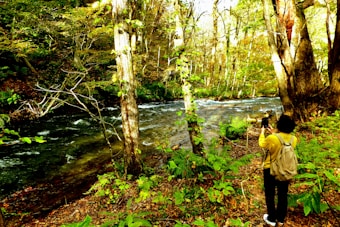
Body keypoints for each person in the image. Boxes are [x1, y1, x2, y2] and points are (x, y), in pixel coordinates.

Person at [259, 114, 297, 226]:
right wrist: (274, 133)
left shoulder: (272, 138)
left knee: (270, 194)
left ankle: (271, 219)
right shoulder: (294, 139)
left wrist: (262, 132)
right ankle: (280, 220)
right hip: (285, 170)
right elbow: (282, 143)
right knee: (283, 194)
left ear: (279, 125)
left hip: (270, 170)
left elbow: (262, 144)